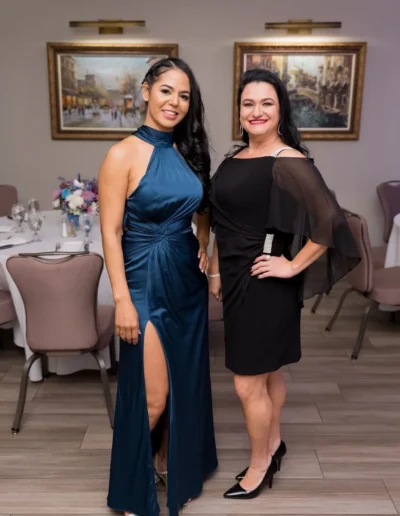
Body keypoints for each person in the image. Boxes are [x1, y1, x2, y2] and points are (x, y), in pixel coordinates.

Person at [209, 68, 359, 500]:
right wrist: (216, 270)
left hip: (264, 283)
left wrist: (292, 266)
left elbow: (331, 222)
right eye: (248, 103)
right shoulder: (235, 157)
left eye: (266, 103)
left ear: (281, 111)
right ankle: (273, 444)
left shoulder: (288, 160)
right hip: (236, 277)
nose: (256, 111)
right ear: (239, 110)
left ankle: (260, 466)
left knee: (246, 383)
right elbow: (222, 222)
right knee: (269, 370)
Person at [99, 57, 218, 516]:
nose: (175, 102)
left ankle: (170, 465)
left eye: (184, 96)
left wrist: (203, 241)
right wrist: (122, 301)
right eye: (167, 91)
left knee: (184, 384)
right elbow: (111, 232)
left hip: (186, 284)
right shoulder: (122, 154)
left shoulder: (188, 151)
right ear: (146, 91)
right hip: (144, 280)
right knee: (152, 397)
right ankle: (133, 493)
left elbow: (202, 204)